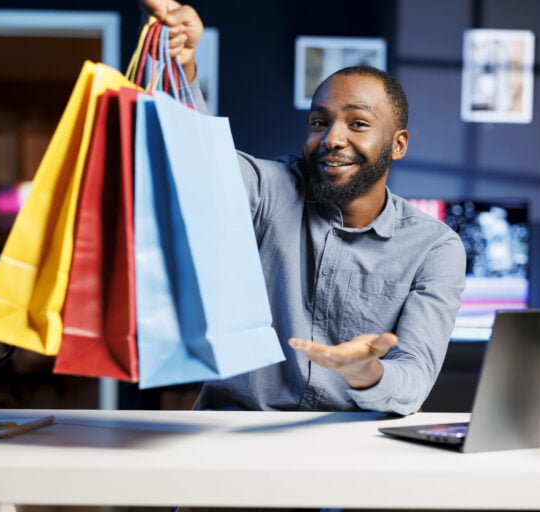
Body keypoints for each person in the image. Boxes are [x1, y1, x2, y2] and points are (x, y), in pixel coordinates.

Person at [140, 0, 466, 415]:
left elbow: (414, 375)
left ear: (397, 144)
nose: (332, 138)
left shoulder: (434, 247)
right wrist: (182, 67)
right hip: (236, 430)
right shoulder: (271, 189)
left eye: (358, 123)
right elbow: (202, 165)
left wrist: (365, 372)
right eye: (319, 122)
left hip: (348, 439)